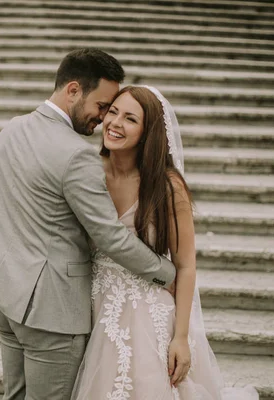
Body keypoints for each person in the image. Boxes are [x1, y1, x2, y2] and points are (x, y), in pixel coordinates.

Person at [0, 49, 178, 400]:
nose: (103, 119)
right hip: (51, 316)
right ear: (73, 90)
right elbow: (109, 236)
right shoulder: (77, 154)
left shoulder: (12, 128)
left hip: (6, 301)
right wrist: (166, 272)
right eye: (102, 106)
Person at [71, 86, 259, 400]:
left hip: (149, 314)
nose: (115, 123)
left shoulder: (167, 186)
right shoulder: (88, 173)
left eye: (130, 118)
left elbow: (185, 265)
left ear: (148, 133)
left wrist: (182, 337)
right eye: (113, 112)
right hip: (94, 308)